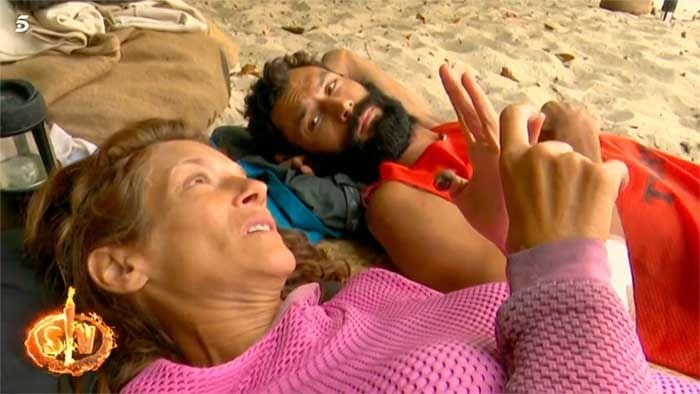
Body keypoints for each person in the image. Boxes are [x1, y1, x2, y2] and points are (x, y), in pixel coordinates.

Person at [24, 112, 697, 393]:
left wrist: (516, 246)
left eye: (240, 173)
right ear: (121, 266)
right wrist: (561, 264)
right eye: (200, 182)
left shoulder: (365, 297)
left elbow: (612, 356)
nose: (253, 186)